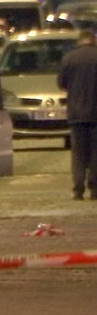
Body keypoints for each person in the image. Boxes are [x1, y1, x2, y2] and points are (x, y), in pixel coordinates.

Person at [57, 30, 97, 201]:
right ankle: (95, 188)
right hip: (96, 113)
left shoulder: (69, 58)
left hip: (76, 113)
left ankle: (78, 188)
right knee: (96, 151)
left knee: (78, 153)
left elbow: (61, 83)